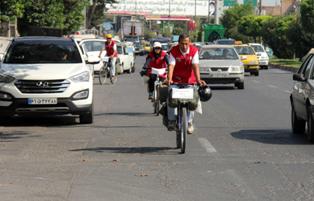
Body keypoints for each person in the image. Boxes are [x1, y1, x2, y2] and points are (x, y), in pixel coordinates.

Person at [165, 33, 206, 134]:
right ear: (178, 43)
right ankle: (171, 120)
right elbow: (171, 66)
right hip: (176, 81)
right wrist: (169, 79)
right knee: (170, 97)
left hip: (189, 81)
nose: (184, 46)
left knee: (192, 101)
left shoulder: (194, 51)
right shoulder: (173, 51)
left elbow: (195, 66)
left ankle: (190, 122)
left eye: (186, 44)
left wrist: (198, 80)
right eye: (182, 44)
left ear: (189, 43)